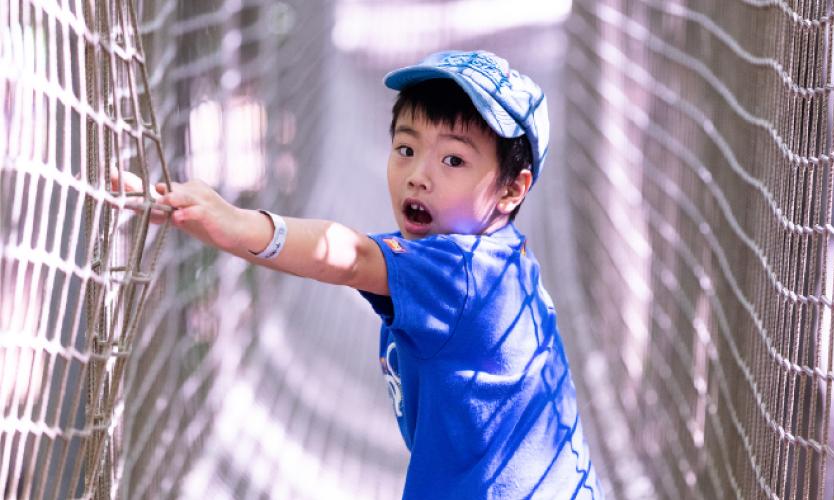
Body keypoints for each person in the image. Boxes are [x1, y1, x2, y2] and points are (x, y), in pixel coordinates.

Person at [120, 50, 602, 499]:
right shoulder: (492, 258)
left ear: (511, 191)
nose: (418, 175)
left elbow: (349, 255)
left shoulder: (465, 273)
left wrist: (234, 224)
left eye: (453, 159)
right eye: (406, 149)